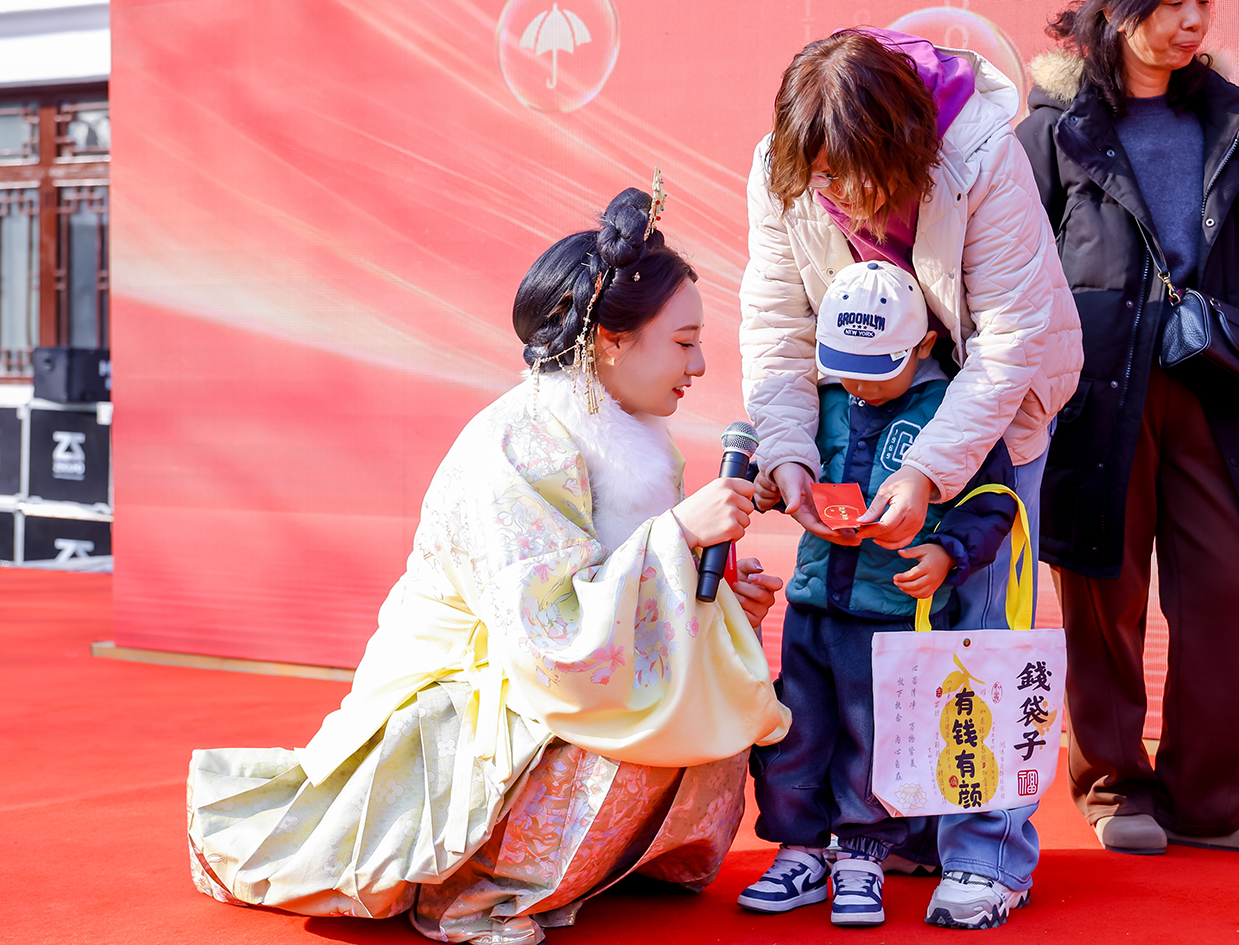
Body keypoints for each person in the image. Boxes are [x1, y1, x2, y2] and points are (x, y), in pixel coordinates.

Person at [185, 186, 793, 943]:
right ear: (611, 340)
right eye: (684, 342)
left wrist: (718, 592)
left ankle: (606, 862)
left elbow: (625, 591)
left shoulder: (639, 439)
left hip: (550, 667)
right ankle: (477, 891)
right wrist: (674, 536)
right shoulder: (517, 442)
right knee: (618, 719)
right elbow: (548, 633)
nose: (699, 365)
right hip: (473, 684)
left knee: (696, 690)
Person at [1018, 0, 1239, 856]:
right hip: (1098, 388)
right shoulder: (1055, 128)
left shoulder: (1229, 120)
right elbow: (1018, 265)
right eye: (1170, 3)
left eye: (1201, 4)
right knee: (1103, 591)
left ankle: (1205, 802)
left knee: (1234, 592)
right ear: (1115, 11)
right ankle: (1112, 787)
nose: (1191, 21)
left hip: (1215, 382)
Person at [739, 27, 1081, 636]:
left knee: (978, 608)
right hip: (866, 395)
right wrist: (787, 452)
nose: (841, 195)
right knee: (867, 595)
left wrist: (926, 471)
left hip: (996, 396)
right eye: (823, 177)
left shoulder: (980, 154)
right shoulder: (782, 169)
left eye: (856, 174)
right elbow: (777, 326)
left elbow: (1008, 339)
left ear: (900, 141)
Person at [738, 260, 1030, 930]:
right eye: (844, 367)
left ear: (923, 345)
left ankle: (862, 858)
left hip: (894, 620)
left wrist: (947, 553)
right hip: (813, 608)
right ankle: (799, 851)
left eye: (876, 369)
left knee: (877, 743)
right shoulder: (825, 401)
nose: (858, 384)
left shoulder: (949, 410)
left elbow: (992, 501)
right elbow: (786, 463)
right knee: (792, 731)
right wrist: (769, 483)